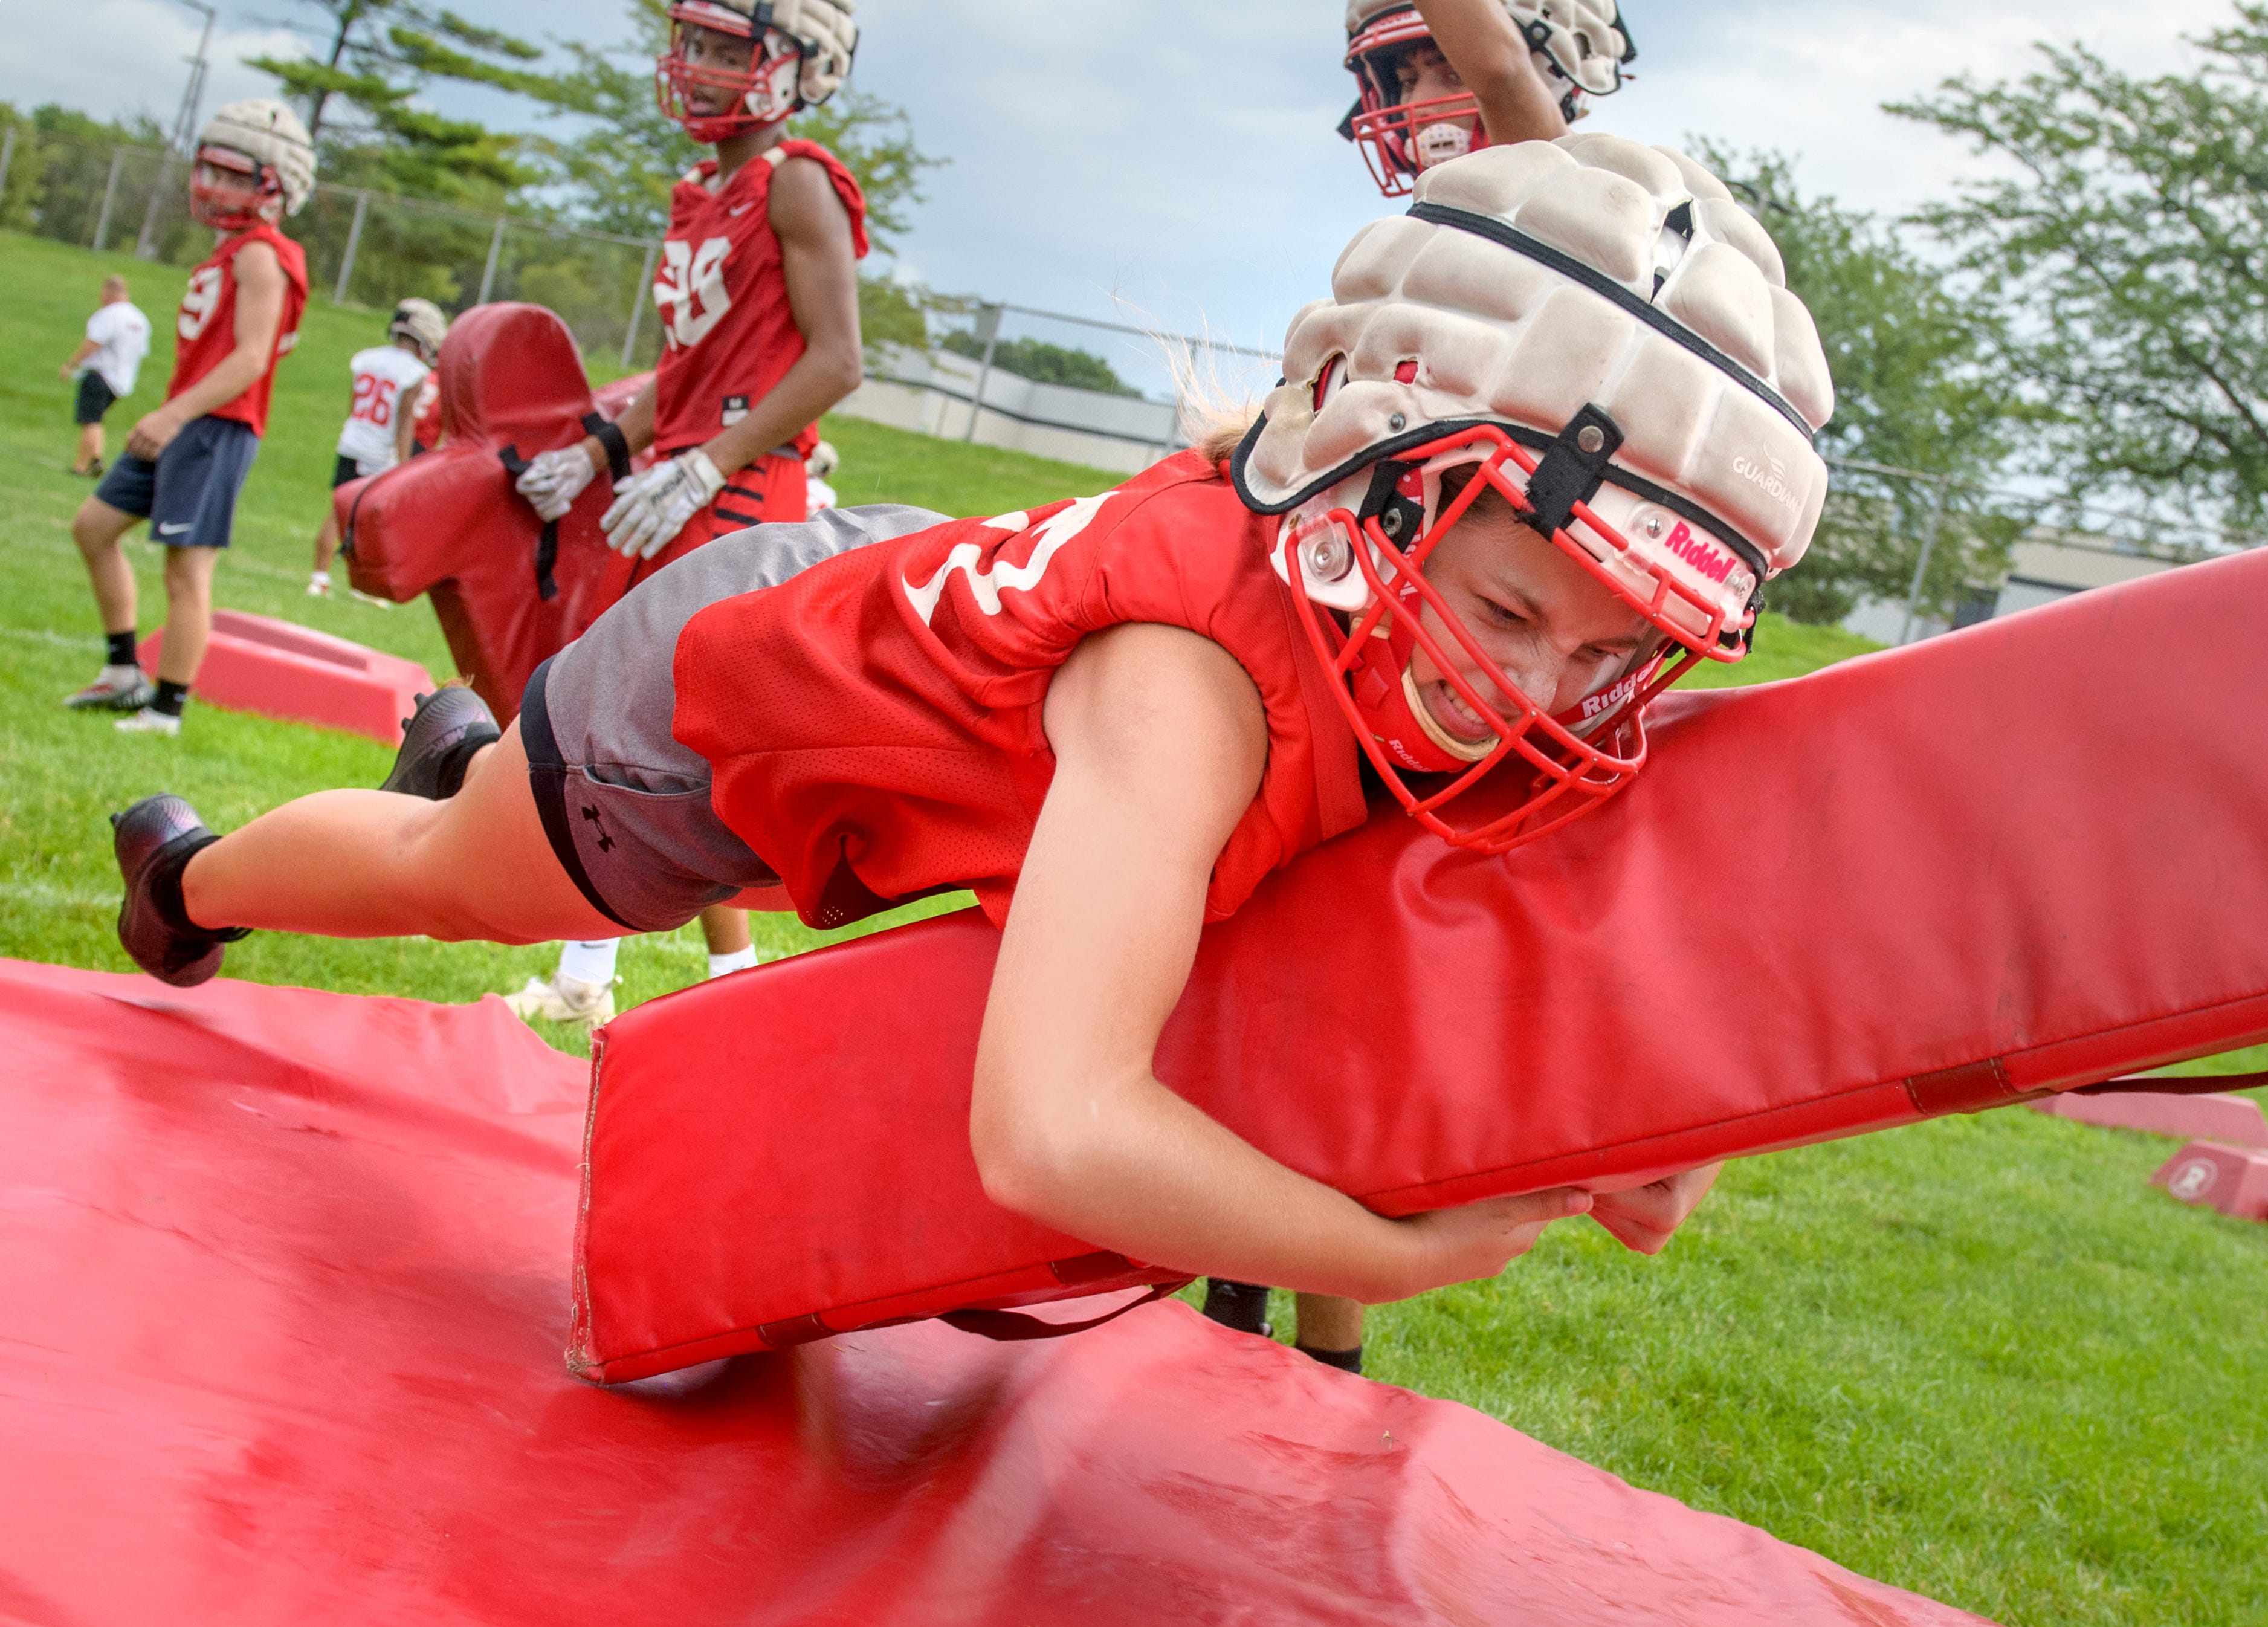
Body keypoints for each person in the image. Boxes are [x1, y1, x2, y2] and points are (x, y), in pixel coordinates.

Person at [106, 138, 1833, 1328]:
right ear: (1359, 471)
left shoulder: (1413, 604)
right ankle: (187, 879)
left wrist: (1628, 1124)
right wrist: (1384, 1255)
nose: (1530, 695)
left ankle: (470, 757)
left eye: (1610, 650)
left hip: (944, 645)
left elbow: (1462, 935)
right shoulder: (1187, 695)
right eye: (1514, 612)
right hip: (732, 708)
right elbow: (1054, 1132)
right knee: (469, 878)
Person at [1261, 0, 1640, 1370]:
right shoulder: (1432, 249)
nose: (1414, 91)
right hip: (1347, 640)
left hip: (1462, 671)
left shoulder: (1570, 209)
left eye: (1430, 59)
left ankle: (1320, 1352)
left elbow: (1494, 63)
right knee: (1256, 987)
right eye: (1394, 68)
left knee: (1335, 1011)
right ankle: (1250, 1303)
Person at [502, 0, 867, 1024]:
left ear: (799, 67)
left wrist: (709, 465)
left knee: (655, 744)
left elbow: (839, 360)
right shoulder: (698, 191)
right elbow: (689, 366)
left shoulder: (796, 181)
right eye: (693, 44)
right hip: (684, 480)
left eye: (728, 49)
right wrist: (598, 449)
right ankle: (610, 974)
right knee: (625, 741)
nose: (700, 66)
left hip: (741, 486)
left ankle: (699, 989)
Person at [63, 99, 314, 736]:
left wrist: (173, 415)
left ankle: (165, 710)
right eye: (213, 172)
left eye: (237, 177)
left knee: (186, 570)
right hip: (186, 418)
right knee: (93, 527)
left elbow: (253, 357)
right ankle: (123, 671)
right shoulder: (230, 251)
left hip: (214, 424)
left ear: (276, 186)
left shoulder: (263, 253)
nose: (217, 187)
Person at [1342, 0, 1635, 193]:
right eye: (1407, 82)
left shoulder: (1585, 192)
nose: (1417, 106)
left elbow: (1501, 71)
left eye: (1457, 74)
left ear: (1552, 78)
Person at [309, 299, 448, 597]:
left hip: (353, 442)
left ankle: (318, 578)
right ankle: (363, 585)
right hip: (381, 453)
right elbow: (403, 423)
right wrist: (402, 464)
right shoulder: (414, 372)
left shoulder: (366, 358)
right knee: (373, 522)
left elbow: (355, 408)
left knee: (337, 512)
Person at [59, 276, 150, 478]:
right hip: (122, 380)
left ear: (109, 292)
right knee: (95, 419)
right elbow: (141, 352)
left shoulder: (110, 315)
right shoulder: (140, 320)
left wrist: (71, 365)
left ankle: (95, 459)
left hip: (100, 374)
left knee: (90, 420)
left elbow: (94, 342)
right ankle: (80, 465)